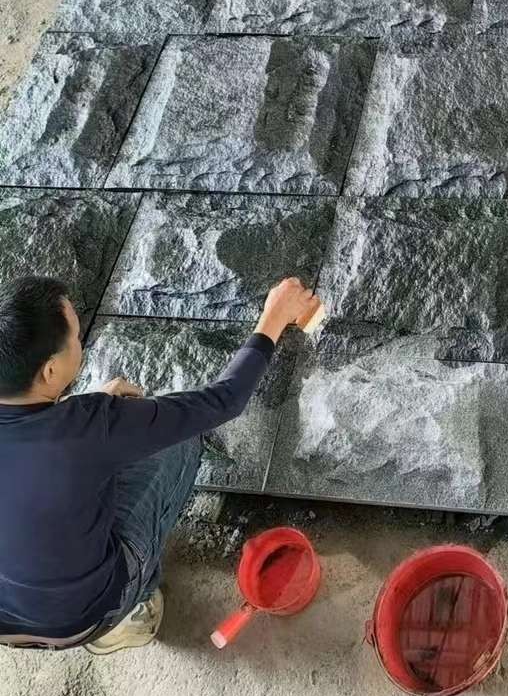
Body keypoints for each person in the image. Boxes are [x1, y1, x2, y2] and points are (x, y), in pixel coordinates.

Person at [0, 273, 318, 654]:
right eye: (77, 338)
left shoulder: (81, 427)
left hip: (8, 621)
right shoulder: (89, 428)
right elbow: (222, 401)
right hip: (81, 615)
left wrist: (76, 410)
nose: (81, 342)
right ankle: (130, 615)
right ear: (50, 371)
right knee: (181, 442)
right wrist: (274, 318)